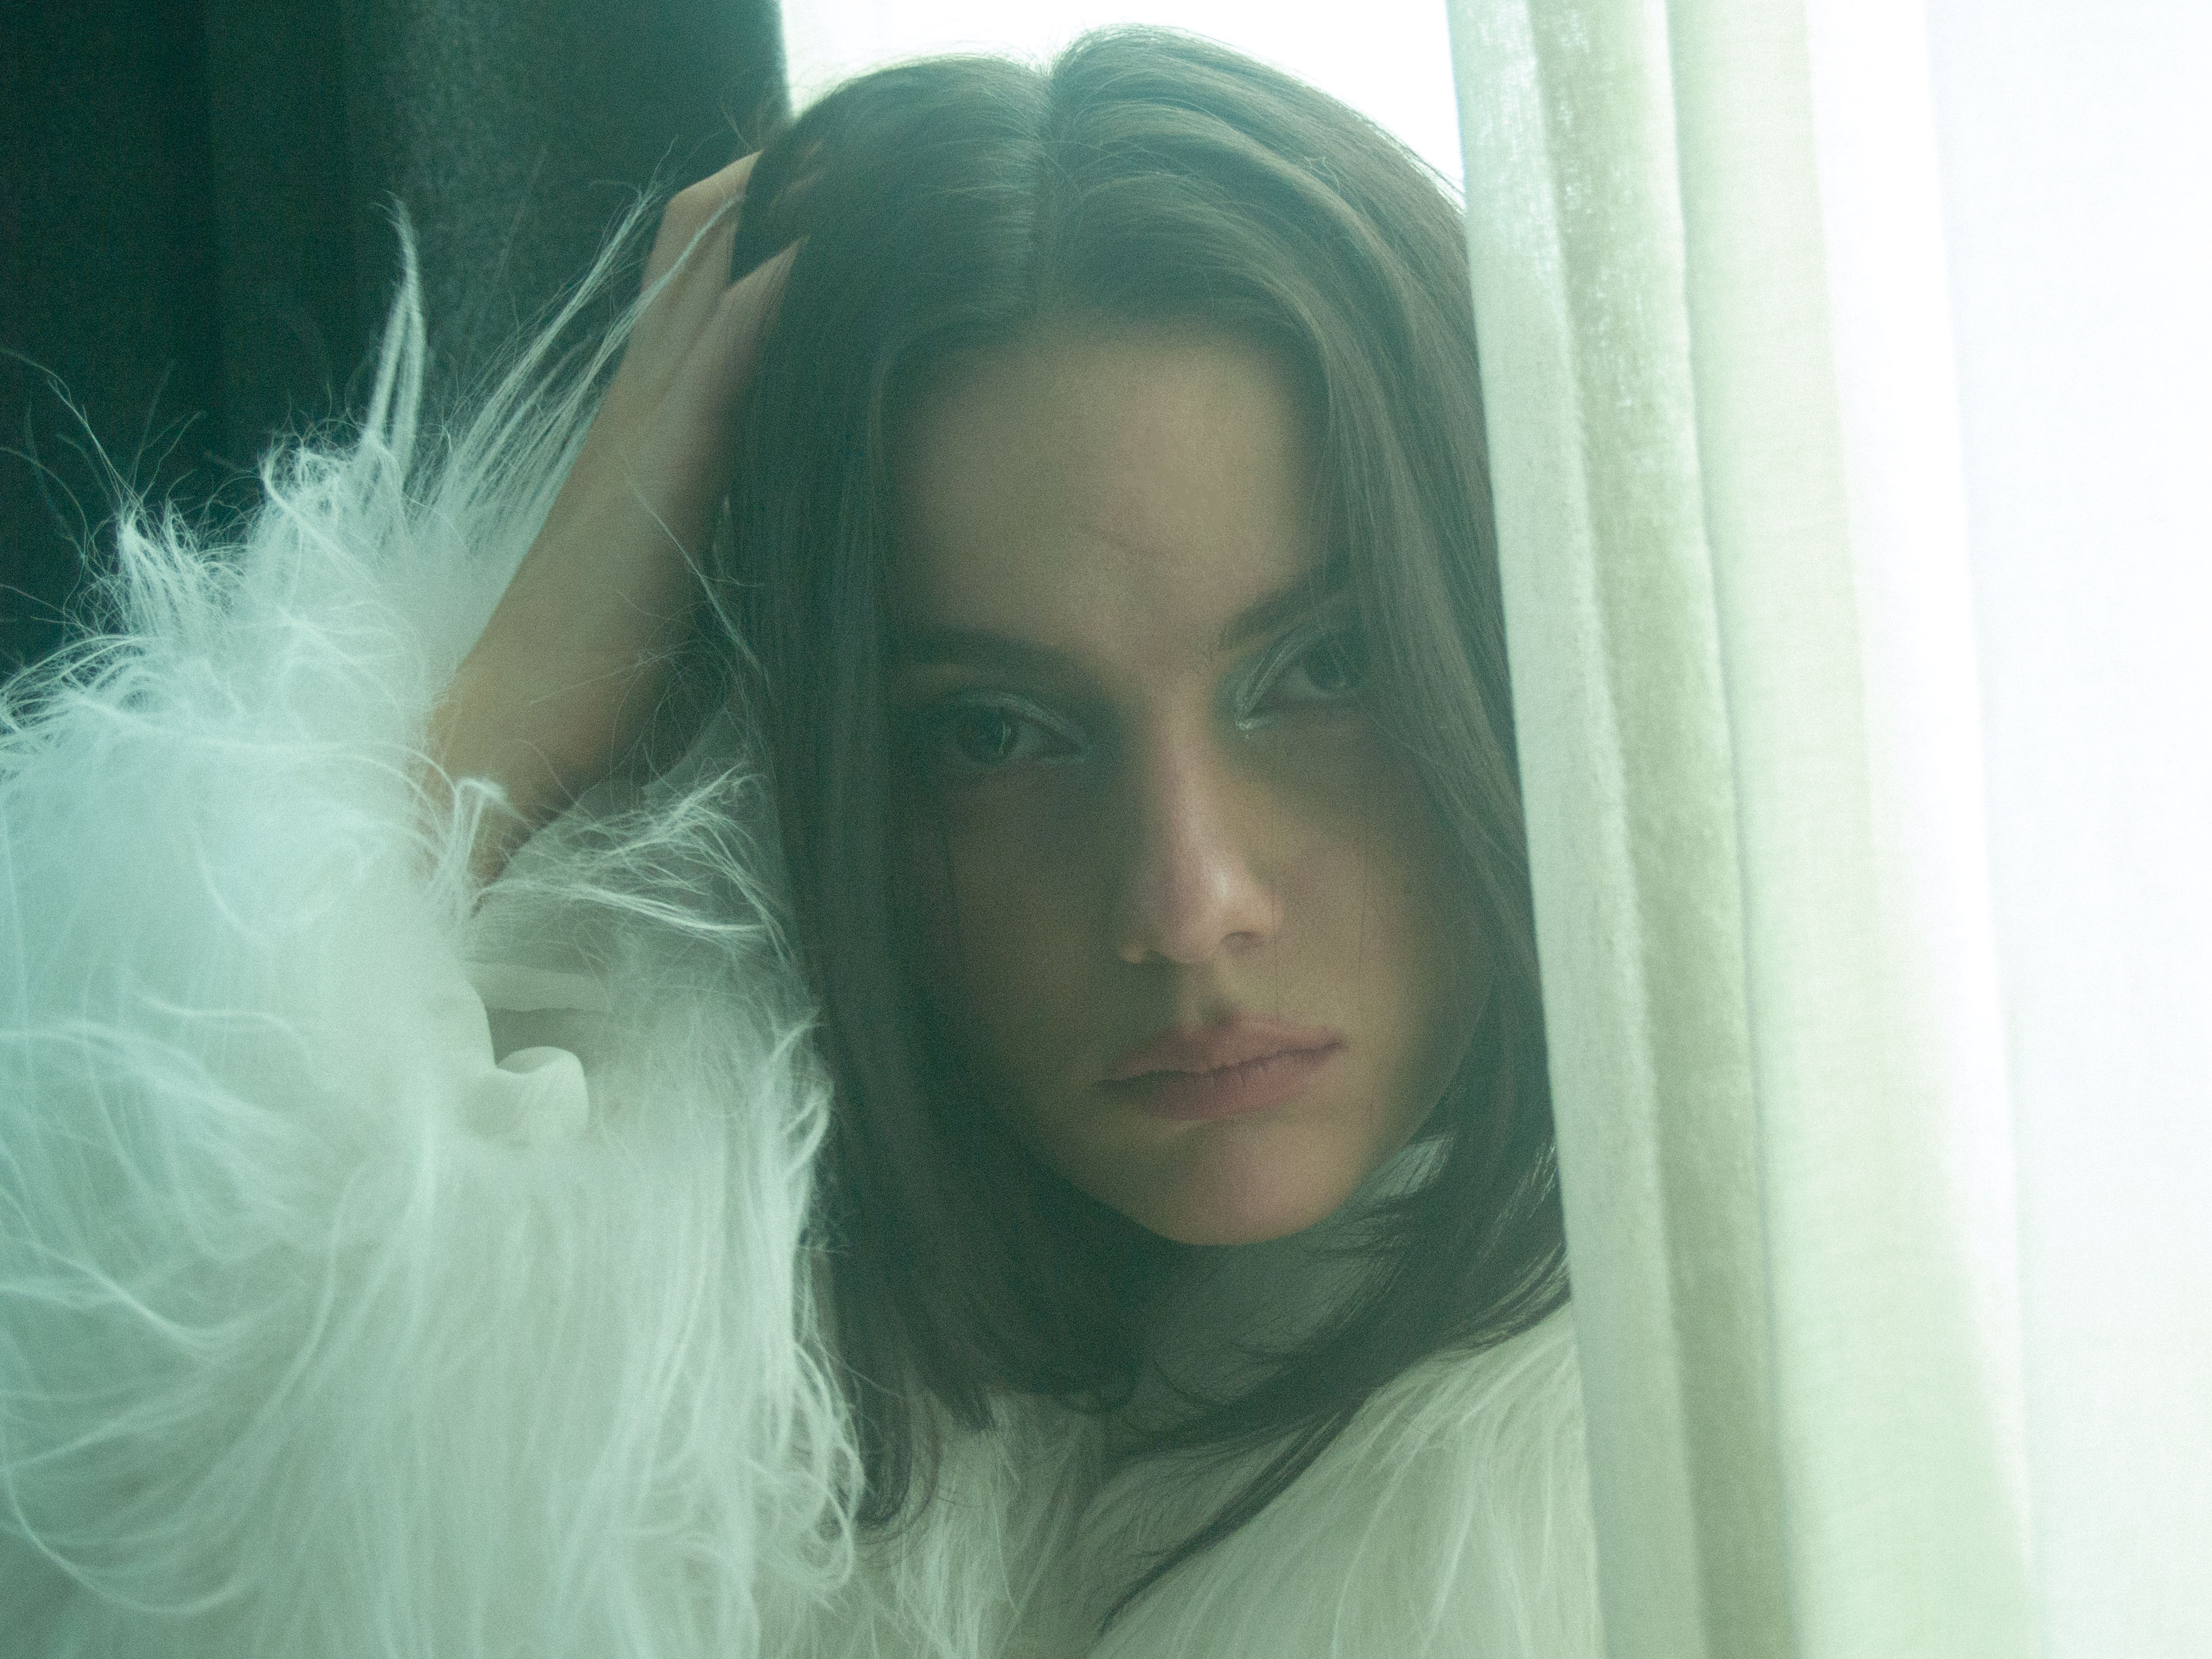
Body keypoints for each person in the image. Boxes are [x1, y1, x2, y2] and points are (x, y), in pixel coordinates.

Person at [0, 27, 1597, 1658]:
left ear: (1512, 647)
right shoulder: (738, 1480)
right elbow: (121, 1509)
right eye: (993, 734)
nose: (1187, 904)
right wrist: (505, 708)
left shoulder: (1688, 1477)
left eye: (1324, 671)